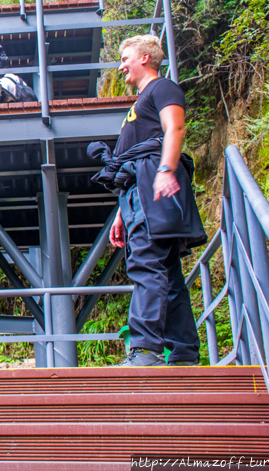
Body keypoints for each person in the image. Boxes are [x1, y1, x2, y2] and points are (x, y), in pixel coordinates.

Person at [88, 34, 207, 367]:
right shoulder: (139, 103)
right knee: (166, 271)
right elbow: (129, 166)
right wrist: (120, 215)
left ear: (143, 58)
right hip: (139, 189)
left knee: (146, 264)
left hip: (153, 183)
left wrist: (166, 169)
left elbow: (175, 128)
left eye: (125, 58)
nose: (121, 65)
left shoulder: (162, 88)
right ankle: (184, 352)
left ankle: (145, 350)